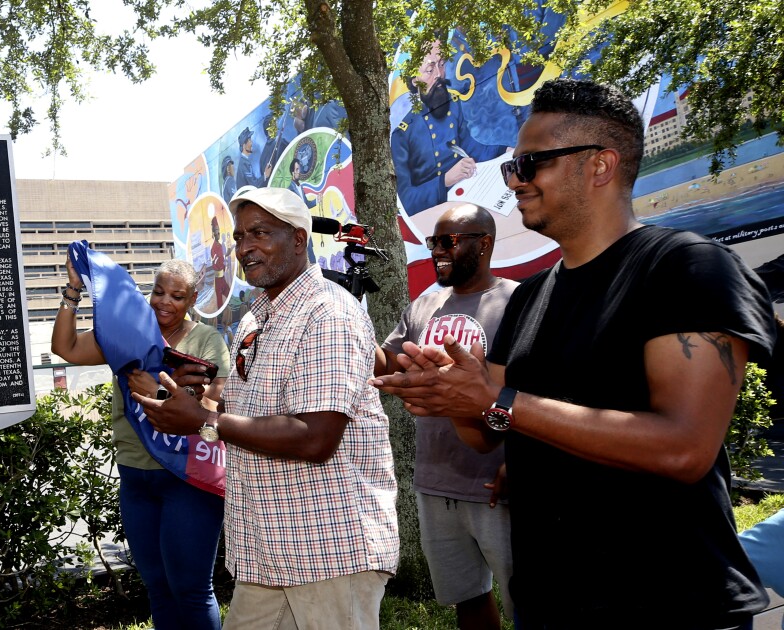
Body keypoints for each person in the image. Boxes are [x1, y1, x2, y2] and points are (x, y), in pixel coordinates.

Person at [374, 78, 775, 627]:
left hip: (671, 606)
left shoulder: (687, 269)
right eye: (513, 166)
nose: (514, 180)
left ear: (600, 165)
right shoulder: (531, 297)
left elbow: (684, 448)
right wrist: (451, 394)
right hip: (549, 603)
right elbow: (488, 430)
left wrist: (499, 399)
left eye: (531, 163)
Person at [136, 187, 398, 629]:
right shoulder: (257, 316)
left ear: (299, 239)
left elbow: (315, 437)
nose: (245, 247)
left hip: (329, 551)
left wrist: (204, 421)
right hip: (265, 552)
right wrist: (193, 402)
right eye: (240, 237)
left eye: (260, 233)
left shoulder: (329, 314)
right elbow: (247, 413)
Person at [51, 257, 230, 630]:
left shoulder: (207, 342)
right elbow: (65, 348)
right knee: (158, 588)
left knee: (191, 589)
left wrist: (162, 392)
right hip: (136, 477)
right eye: (158, 292)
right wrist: (73, 290)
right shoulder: (128, 335)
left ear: (193, 298)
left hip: (186, 478)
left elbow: (212, 413)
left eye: (177, 296)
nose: (164, 302)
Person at [374, 202, 515, 629]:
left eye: (447, 241)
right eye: (433, 241)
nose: (436, 250)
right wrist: (349, 317)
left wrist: (522, 459)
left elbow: (537, 391)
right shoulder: (425, 305)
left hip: (499, 485)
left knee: (531, 605)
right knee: (468, 600)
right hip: (436, 483)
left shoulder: (517, 300)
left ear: (484, 243)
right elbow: (387, 362)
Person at [391, 41, 508, 217]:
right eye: (430, 70)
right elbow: (406, 200)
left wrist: (506, 151)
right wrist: (444, 180)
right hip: (434, 213)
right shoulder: (403, 134)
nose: (439, 74)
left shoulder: (453, 105)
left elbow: (472, 148)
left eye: (442, 64)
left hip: (466, 195)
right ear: (415, 80)